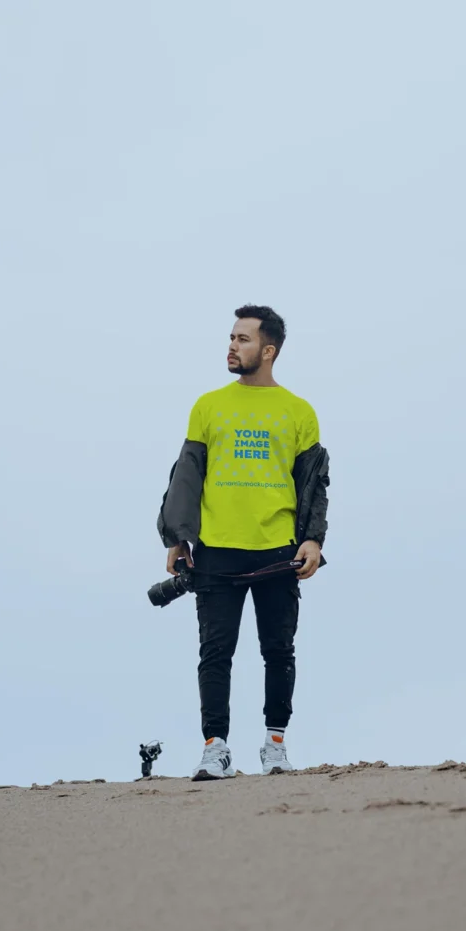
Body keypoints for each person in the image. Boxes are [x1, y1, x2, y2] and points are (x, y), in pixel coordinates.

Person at [157, 305, 330, 781]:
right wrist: (178, 539)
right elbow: (187, 477)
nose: (232, 346)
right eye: (231, 337)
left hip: (279, 551)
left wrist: (313, 539)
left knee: (279, 650)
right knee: (215, 652)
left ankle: (275, 746)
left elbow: (314, 484)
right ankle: (216, 749)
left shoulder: (299, 412)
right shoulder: (208, 405)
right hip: (216, 550)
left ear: (268, 350)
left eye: (243, 339)